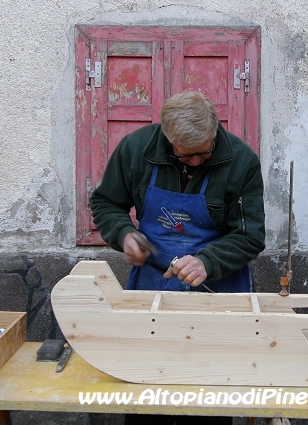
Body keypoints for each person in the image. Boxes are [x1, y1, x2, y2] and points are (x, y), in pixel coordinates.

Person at [90, 90, 266, 425]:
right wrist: (124, 234)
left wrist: (207, 262)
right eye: (188, 158)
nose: (198, 162)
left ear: (215, 131)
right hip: (153, 284)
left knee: (207, 401)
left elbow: (250, 236)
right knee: (145, 397)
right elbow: (106, 203)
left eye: (205, 152)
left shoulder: (242, 162)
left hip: (219, 291)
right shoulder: (135, 149)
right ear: (168, 140)